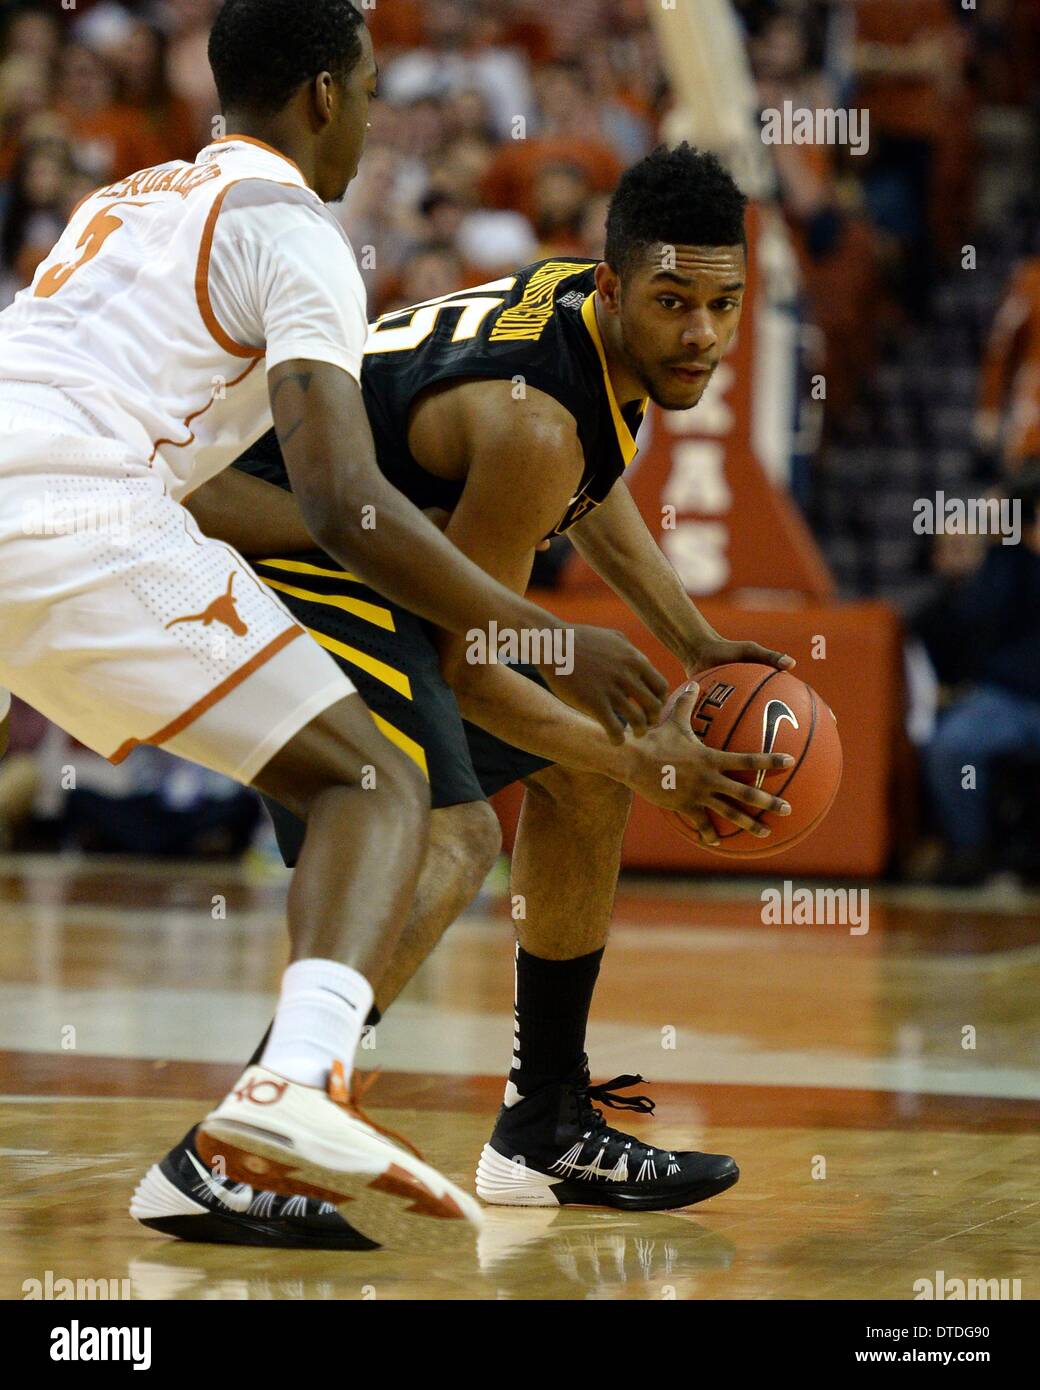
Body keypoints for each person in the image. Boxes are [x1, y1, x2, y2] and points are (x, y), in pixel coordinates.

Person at [0, 0, 669, 1243]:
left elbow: (214, 474)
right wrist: (548, 630)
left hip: (36, 494)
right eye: (362, 93)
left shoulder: (127, 200)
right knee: (377, 784)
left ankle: (261, 1125)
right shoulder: (296, 231)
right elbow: (344, 499)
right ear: (321, 96)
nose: (368, 121)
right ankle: (289, 1089)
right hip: (77, 512)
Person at [132, 143, 799, 1247]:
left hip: (350, 534)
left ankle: (539, 1127)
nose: (699, 335)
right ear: (613, 288)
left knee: (579, 791)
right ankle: (236, 1151)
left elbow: (588, 487)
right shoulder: (531, 420)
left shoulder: (583, 337)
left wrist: (692, 638)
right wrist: (648, 764)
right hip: (246, 536)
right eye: (674, 303)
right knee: (445, 830)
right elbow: (469, 661)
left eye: (722, 306)